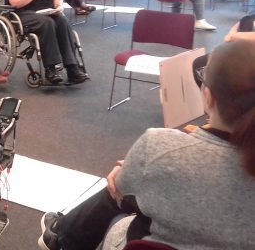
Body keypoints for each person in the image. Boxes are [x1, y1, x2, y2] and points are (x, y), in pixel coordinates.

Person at [38, 39, 255, 250]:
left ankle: (63, 238)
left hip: (149, 240)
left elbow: (120, 188)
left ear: (207, 97)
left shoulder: (159, 145)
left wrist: (141, 165)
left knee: (128, 193)